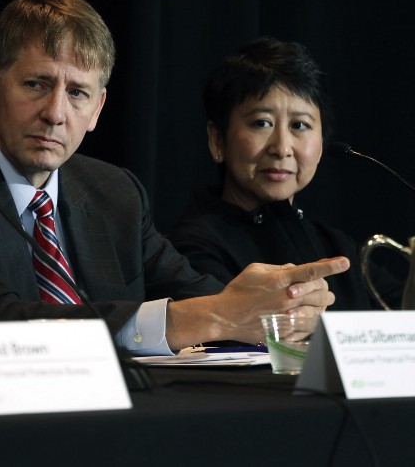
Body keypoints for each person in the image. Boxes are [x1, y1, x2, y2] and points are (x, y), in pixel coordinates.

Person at [0, 0, 348, 354]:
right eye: (37, 84)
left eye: (77, 93)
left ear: (98, 108)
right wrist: (199, 319)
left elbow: (208, 299)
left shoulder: (114, 192)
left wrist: (276, 305)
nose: (55, 113)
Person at [169, 37, 401, 310]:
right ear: (218, 140)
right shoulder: (191, 248)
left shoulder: (336, 244)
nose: (281, 148)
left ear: (322, 142)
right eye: (261, 123)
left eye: (300, 125)